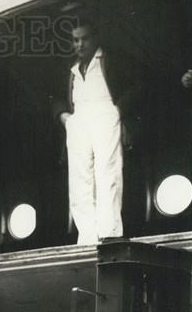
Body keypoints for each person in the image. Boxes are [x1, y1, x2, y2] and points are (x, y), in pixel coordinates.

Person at [53, 15, 141, 245]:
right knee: (79, 178)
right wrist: (65, 118)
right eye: (75, 40)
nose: (80, 45)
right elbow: (53, 97)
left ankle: (109, 233)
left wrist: (118, 109)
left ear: (95, 37)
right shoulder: (69, 67)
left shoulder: (113, 59)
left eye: (84, 39)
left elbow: (140, 84)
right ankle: (87, 237)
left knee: (108, 172)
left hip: (105, 113)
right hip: (78, 119)